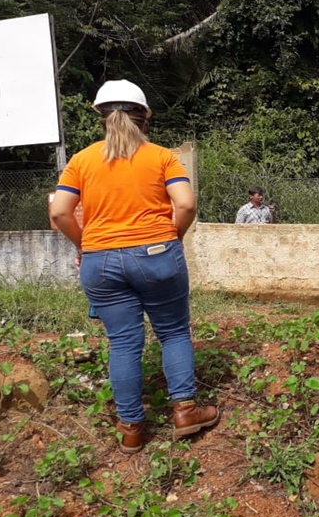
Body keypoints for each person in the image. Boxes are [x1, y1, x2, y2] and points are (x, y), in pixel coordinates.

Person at [50, 79, 219, 454]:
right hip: (157, 253)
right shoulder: (161, 157)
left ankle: (130, 428)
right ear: (145, 120)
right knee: (173, 332)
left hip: (99, 261)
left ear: (101, 118)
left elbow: (60, 211)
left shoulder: (82, 160)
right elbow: (186, 204)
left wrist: (86, 245)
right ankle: (186, 412)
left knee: (123, 343)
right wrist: (170, 238)